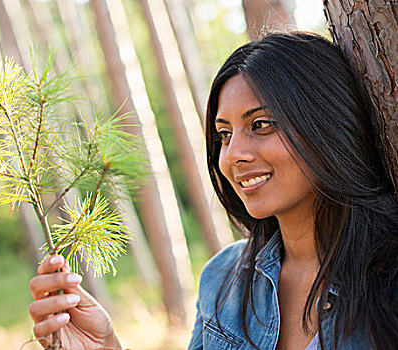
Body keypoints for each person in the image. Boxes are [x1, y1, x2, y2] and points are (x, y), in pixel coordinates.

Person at [28, 32, 398, 349]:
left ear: (327, 125)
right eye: (224, 134)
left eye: (261, 124)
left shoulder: (389, 275)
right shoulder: (224, 279)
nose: (232, 154)